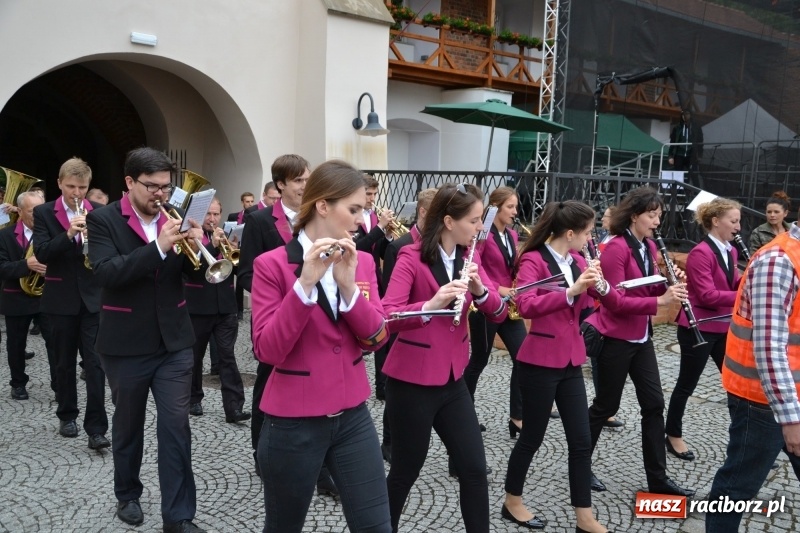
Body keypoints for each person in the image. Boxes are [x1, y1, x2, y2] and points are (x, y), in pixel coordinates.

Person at [250, 159, 391, 533]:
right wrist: (305, 285)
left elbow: (377, 338)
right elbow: (267, 350)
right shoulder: (272, 265)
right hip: (292, 422)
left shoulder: (361, 262)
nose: (362, 220)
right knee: (284, 527)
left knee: (377, 526)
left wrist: (348, 289)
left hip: (353, 417)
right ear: (323, 206)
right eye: (354, 209)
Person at [87, 147, 206, 532]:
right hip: (125, 343)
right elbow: (106, 273)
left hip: (174, 342)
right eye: (152, 186)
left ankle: (179, 516)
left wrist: (199, 247)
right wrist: (158, 248)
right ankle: (128, 493)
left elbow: (199, 276)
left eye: (165, 187)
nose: (160, 194)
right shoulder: (103, 219)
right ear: (129, 182)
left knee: (176, 427)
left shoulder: (174, 217)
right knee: (127, 425)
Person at [382, 183, 507, 533]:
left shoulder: (471, 258)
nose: (480, 228)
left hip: (452, 380)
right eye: (474, 220)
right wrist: (430, 305)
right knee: (405, 470)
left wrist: (480, 291)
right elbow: (388, 315)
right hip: (412, 381)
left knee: (473, 468)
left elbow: (499, 312)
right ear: (449, 221)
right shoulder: (411, 256)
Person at [502, 200, 616, 533]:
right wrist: (571, 291)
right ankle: (512, 501)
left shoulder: (578, 260)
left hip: (571, 359)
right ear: (569, 233)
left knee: (581, 441)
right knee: (532, 438)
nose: (590, 238)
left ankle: (584, 516)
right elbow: (525, 304)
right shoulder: (534, 259)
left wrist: (600, 288)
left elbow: (590, 304)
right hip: (539, 361)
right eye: (587, 232)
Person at [584, 186, 695, 497]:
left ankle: (657, 480)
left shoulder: (649, 246)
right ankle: (579, 465)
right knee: (606, 405)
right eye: (652, 215)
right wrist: (660, 301)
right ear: (634, 216)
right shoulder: (616, 248)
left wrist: (670, 281)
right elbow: (614, 300)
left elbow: (645, 287)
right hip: (615, 338)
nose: (657, 221)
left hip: (641, 337)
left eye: (659, 215)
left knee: (654, 404)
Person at [237, 154, 337, 495]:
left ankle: (322, 467)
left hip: (318, 318)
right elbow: (247, 273)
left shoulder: (320, 215)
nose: (306, 186)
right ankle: (261, 453)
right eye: (298, 181)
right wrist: (285, 295)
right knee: (268, 384)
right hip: (278, 318)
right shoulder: (260, 220)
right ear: (280, 185)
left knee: (320, 384)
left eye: (308, 179)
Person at [705, 216, 800, 533]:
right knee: (737, 486)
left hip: (786, 396)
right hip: (763, 400)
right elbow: (769, 346)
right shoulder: (779, 261)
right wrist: (791, 419)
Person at [32, 157, 109, 447]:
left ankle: (97, 428)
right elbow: (42, 253)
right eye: (71, 187)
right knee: (63, 363)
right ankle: (67, 415)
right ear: (59, 184)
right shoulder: (44, 212)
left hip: (93, 299)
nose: (77, 193)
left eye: (82, 187)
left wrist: (93, 237)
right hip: (60, 299)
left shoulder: (99, 212)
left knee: (96, 364)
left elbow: (108, 253)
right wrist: (68, 234)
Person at [665, 198, 742, 461]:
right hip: (698, 327)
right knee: (687, 384)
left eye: (738, 221)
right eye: (733, 221)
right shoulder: (701, 252)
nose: (738, 227)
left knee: (736, 385)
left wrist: (750, 279)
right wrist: (744, 294)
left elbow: (732, 283)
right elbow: (708, 295)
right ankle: (672, 434)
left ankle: (745, 439)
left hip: (724, 325)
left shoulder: (731, 251)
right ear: (716, 221)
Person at [378, 187, 437, 462]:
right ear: (423, 212)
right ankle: (389, 441)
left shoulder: (439, 245)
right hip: (402, 326)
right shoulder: (399, 246)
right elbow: (390, 299)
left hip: (427, 327)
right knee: (394, 387)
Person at [464, 186, 525, 437]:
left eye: (515, 207)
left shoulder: (512, 235)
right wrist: (498, 288)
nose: (515, 211)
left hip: (509, 306)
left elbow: (509, 268)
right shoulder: (483, 235)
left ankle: (517, 417)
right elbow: (475, 265)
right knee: (479, 360)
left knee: (523, 357)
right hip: (486, 304)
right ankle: (464, 414)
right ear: (495, 208)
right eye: (510, 206)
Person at [185, 197, 250, 423]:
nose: (212, 219)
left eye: (216, 214)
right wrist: (211, 246)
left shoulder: (226, 236)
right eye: (208, 214)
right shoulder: (190, 237)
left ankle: (234, 408)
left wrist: (235, 252)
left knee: (227, 357)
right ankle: (193, 398)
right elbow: (191, 271)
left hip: (225, 307)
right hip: (198, 306)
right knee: (195, 357)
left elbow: (236, 271)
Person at [0, 191, 47, 400]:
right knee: (16, 345)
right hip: (16, 298)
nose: (38, 215)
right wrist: (26, 264)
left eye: (41, 210)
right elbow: (2, 268)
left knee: (56, 344)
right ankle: (18, 383)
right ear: (19, 211)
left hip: (46, 297)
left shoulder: (49, 233)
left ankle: (59, 384)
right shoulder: (5, 235)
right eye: (32, 211)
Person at [358, 175, 394, 401]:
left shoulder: (372, 216)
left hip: (374, 279)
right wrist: (380, 228)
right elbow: (357, 247)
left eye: (374, 194)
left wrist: (387, 236)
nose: (372, 199)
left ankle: (382, 385)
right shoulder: (353, 217)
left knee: (381, 330)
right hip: (355, 279)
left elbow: (378, 252)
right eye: (368, 194)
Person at [668, 109, 704, 184]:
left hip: (692, 154)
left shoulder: (696, 127)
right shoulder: (677, 127)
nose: (685, 116)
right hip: (679, 154)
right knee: (678, 175)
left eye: (687, 114)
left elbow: (700, 141)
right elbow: (672, 142)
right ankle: (678, 190)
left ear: (690, 115)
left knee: (694, 175)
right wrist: (670, 156)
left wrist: (700, 155)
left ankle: (695, 190)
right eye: (683, 114)